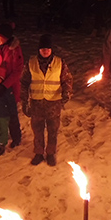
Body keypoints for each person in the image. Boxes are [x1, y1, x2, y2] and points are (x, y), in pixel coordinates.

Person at [20, 34, 73, 167]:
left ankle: (50, 153)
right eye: (43, 49)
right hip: (36, 103)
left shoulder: (60, 63)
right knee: (37, 130)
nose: (45, 51)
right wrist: (24, 101)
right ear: (39, 50)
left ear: (51, 50)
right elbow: (24, 83)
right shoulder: (31, 63)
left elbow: (67, 80)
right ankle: (38, 153)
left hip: (53, 104)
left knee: (53, 130)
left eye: (48, 49)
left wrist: (67, 92)